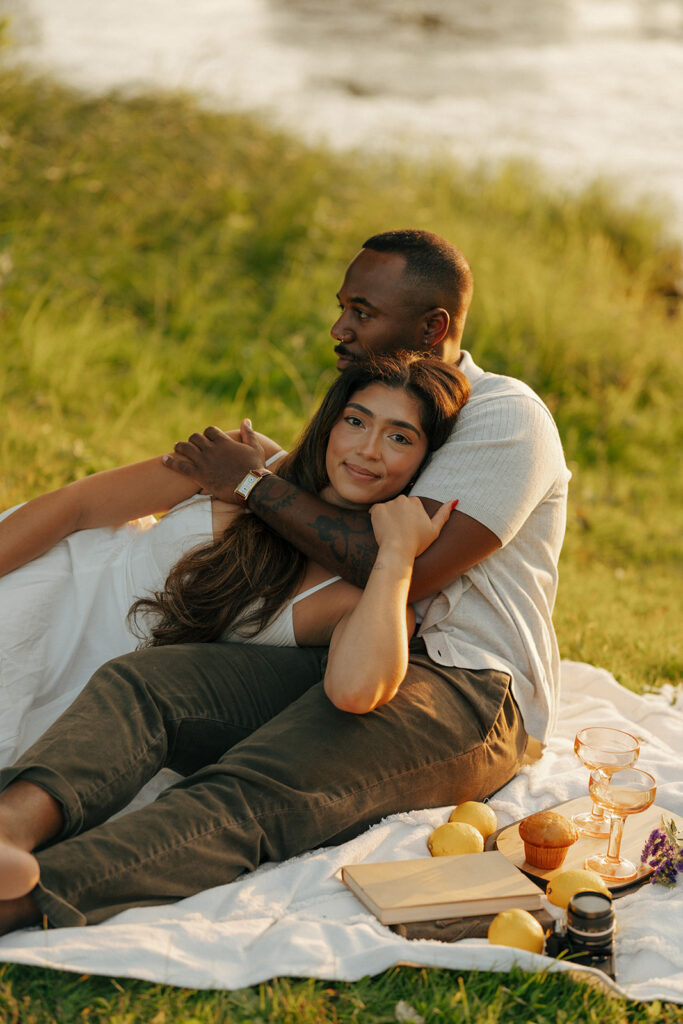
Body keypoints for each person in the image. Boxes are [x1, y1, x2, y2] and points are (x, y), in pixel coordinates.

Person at [0, 228, 569, 933]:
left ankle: (28, 899)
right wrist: (265, 476)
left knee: (258, 787)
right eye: (343, 307)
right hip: (334, 645)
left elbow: (400, 563)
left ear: (434, 327)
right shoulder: (392, 401)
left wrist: (248, 481)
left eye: (362, 311)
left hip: (463, 684)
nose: (339, 327)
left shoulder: (503, 414)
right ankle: (6, 833)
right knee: (143, 684)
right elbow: (330, 514)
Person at [0, 355, 466, 765]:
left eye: (400, 438)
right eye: (356, 422)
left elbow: (356, 691)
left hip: (112, 707)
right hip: (47, 597)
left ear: (428, 462)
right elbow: (76, 506)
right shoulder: (249, 458)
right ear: (331, 423)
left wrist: (397, 556)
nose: (368, 449)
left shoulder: (365, 598)